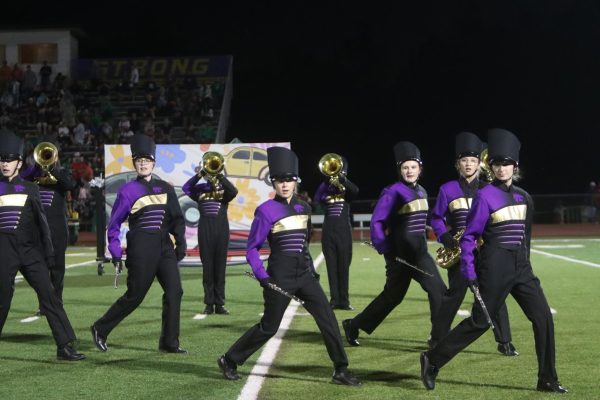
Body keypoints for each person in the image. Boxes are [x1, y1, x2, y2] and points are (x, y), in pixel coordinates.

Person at [420, 128, 568, 393]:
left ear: (515, 166)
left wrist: (526, 265)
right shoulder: (484, 195)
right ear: (492, 167)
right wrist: (470, 271)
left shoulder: (524, 197)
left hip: (521, 268)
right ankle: (432, 359)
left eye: (506, 164)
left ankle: (547, 379)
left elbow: (526, 237)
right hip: (494, 265)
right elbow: (470, 237)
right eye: (497, 164)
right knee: (480, 321)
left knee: (543, 317)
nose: (501, 168)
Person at [217, 146, 361, 386]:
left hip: (305, 276)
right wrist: (263, 277)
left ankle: (341, 369)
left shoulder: (303, 207)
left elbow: (303, 244)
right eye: (279, 181)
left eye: (289, 180)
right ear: (273, 183)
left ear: (296, 182)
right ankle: (230, 359)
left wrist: (310, 270)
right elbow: (252, 248)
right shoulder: (265, 210)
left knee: (328, 320)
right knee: (268, 327)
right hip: (279, 277)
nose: (284, 185)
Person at [342, 142, 446, 347]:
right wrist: (385, 248)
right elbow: (377, 221)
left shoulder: (423, 191)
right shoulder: (393, 191)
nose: (409, 171)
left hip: (420, 254)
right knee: (392, 298)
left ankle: (437, 338)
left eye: (413, 167)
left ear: (420, 169)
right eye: (405, 167)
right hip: (399, 256)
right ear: (400, 170)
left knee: (438, 291)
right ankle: (353, 325)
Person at [91, 133, 187, 354]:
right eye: (139, 160)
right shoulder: (127, 190)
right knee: (135, 296)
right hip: (141, 248)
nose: (143, 164)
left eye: (147, 160)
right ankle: (100, 328)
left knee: (175, 292)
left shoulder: (166, 187)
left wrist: (180, 243)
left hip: (164, 247)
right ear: (134, 163)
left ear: (153, 162)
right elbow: (113, 225)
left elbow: (177, 219)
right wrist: (115, 252)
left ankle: (169, 342)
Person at [429, 131, 518, 355]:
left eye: (473, 160)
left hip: (486, 251)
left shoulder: (488, 189)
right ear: (457, 164)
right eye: (464, 161)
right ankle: (437, 337)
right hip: (460, 250)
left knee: (494, 294)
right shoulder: (447, 189)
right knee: (454, 296)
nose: (468, 164)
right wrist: (444, 236)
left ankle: (504, 341)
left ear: (480, 163)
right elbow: (436, 218)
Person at [0, 129, 84, 361]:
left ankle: (65, 345)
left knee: (50, 296)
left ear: (18, 162)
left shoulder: (30, 188)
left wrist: (47, 253)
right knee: (3, 299)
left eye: (10, 159)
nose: (5, 164)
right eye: (2, 159)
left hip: (29, 250)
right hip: (4, 251)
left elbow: (42, 224)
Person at [20, 140, 77, 308]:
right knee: (40, 269)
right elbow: (21, 178)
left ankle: (56, 303)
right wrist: (37, 166)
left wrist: (52, 167)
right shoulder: (33, 174)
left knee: (58, 268)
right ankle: (44, 304)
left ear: (56, 156)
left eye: (49, 155)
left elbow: (69, 185)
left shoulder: (62, 173)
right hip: (37, 229)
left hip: (57, 229)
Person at [182, 155, 238, 315]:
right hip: (205, 231)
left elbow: (233, 191)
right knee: (208, 269)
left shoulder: (224, 190)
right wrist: (200, 174)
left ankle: (219, 304)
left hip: (221, 231)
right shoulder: (199, 189)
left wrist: (219, 174)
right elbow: (186, 188)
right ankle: (208, 304)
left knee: (220, 269)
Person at [313, 155, 359, 310]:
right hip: (328, 231)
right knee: (331, 266)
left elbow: (355, 191)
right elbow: (316, 199)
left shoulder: (346, 187)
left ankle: (344, 301)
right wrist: (327, 183)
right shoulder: (325, 186)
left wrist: (342, 180)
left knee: (343, 265)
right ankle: (334, 301)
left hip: (344, 231)